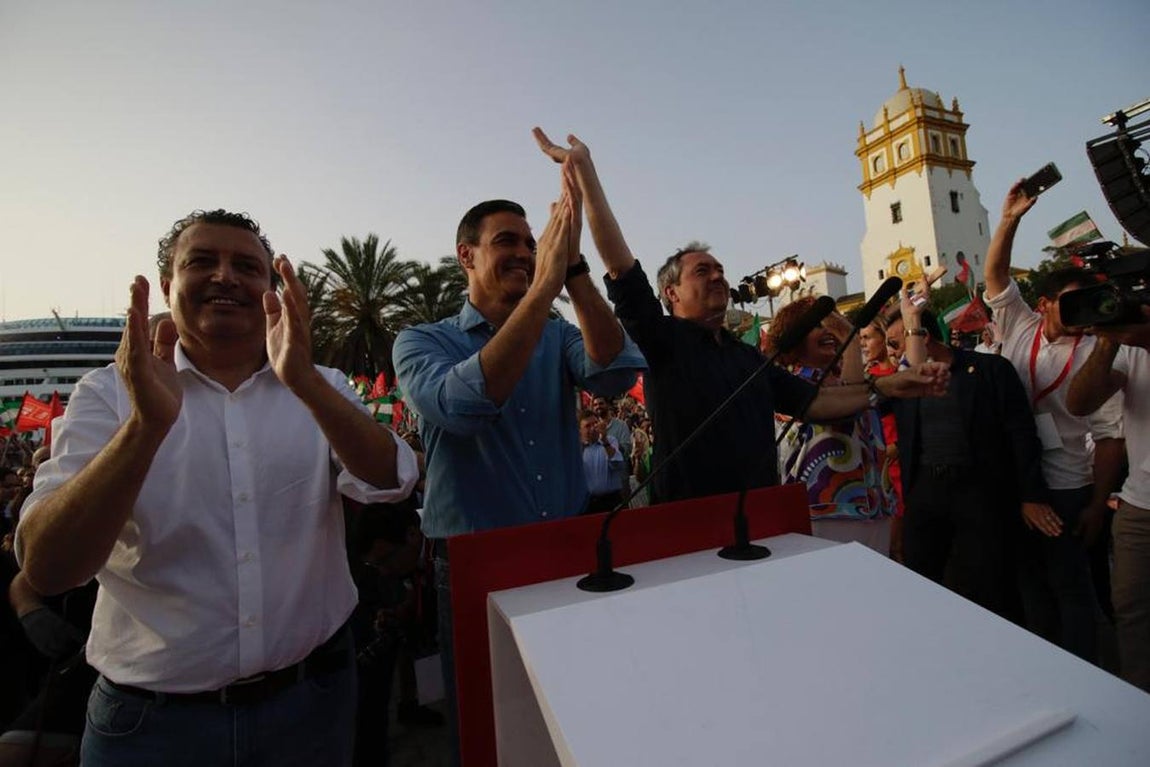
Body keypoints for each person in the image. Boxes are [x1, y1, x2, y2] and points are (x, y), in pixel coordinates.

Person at [15, 209, 420, 767]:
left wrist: (303, 383)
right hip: (152, 727)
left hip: (312, 706)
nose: (226, 277)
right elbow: (47, 565)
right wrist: (145, 427)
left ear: (270, 291)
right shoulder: (108, 395)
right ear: (167, 285)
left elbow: (390, 479)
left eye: (247, 267)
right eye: (202, 261)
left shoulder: (318, 384)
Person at [532, 127, 949, 504]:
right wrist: (586, 171)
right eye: (702, 271)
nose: (717, 277)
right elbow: (620, 263)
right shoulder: (661, 338)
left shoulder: (749, 358)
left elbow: (818, 400)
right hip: (687, 521)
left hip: (760, 517)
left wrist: (895, 384)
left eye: (719, 270)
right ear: (670, 292)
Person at [391, 161, 644, 762]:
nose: (526, 253)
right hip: (476, 562)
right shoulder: (421, 341)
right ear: (465, 256)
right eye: (507, 241)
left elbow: (618, 371)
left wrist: (574, 270)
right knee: (491, 722)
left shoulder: (557, 334)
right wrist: (541, 292)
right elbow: (463, 405)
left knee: (571, 705)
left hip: (564, 547)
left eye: (534, 244)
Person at [982, 179, 1125, 663]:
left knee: (1072, 587)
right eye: (1070, 303)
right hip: (1015, 477)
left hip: (1066, 485)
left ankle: (1090, 669)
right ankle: (1046, 666)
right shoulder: (1018, 325)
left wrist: (1095, 502)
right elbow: (997, 274)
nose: (1081, 314)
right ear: (1043, 304)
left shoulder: (1098, 351)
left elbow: (1109, 437)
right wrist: (1008, 220)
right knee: (1030, 586)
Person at [884, 305, 1050, 622]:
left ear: (924, 337)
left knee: (993, 591)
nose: (891, 353)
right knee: (924, 587)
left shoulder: (990, 370)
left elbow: (1022, 434)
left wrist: (1032, 495)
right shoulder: (903, 385)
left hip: (980, 494)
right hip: (926, 496)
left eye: (895, 343)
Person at [770, 299, 897, 553]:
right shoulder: (794, 384)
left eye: (833, 322)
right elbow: (847, 402)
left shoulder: (855, 377)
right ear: (794, 335)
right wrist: (849, 339)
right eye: (818, 324)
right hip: (823, 511)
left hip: (875, 508)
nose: (830, 330)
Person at [1067, 304, 1150, 692]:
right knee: (1132, 614)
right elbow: (1079, 403)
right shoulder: (1129, 348)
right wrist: (1106, 340)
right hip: (1139, 504)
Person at [579, 410, 626, 513]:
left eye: (595, 423)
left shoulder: (610, 441)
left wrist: (605, 441)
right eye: (587, 426)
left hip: (612, 501)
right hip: (589, 505)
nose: (593, 428)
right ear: (580, 430)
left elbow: (618, 465)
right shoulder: (577, 450)